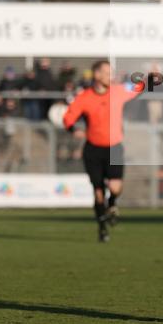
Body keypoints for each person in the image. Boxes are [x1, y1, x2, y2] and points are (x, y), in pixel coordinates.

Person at [63, 60, 144, 243]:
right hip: (93, 150)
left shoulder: (118, 91)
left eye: (111, 73)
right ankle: (102, 228)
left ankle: (112, 203)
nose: (110, 76)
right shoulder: (84, 97)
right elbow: (68, 117)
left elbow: (138, 87)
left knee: (115, 187)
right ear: (97, 75)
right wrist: (73, 129)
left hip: (114, 148)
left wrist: (147, 78)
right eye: (107, 73)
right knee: (98, 192)